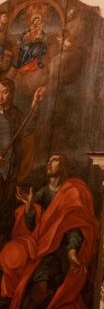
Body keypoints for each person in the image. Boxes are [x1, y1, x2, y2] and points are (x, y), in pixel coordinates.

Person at [0, 152, 98, 309]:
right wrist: (30, 208)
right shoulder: (43, 192)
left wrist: (72, 250)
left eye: (55, 160)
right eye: (49, 160)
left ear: (64, 166)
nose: (49, 163)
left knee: (39, 277)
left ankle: (32, 304)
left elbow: (75, 223)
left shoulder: (72, 191)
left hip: (60, 249)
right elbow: (33, 226)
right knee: (15, 253)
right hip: (42, 245)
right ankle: (11, 298)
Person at [0, 77, 46, 246]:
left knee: (6, 209)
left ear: (11, 94)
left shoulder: (16, 113)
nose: (1, 97)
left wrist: (35, 103)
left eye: (4, 92)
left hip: (10, 170)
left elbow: (28, 128)